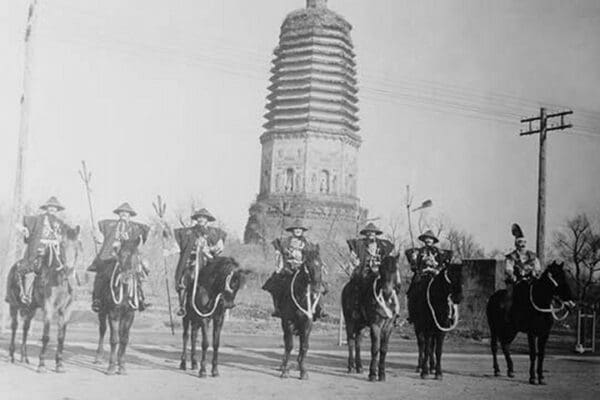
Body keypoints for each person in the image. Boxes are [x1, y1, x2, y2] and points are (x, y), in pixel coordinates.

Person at [89, 203, 150, 312]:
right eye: (121, 213)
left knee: (138, 275)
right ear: (118, 214)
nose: (123, 215)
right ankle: (97, 299)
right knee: (101, 275)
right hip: (110, 256)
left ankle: (140, 299)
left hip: (128, 257)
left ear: (130, 215)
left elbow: (143, 236)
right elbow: (101, 239)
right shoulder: (110, 225)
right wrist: (96, 235)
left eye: (126, 214)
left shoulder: (135, 227)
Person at [264, 219, 325, 318]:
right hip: (289, 269)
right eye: (295, 228)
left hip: (305, 269)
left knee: (318, 283)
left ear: (302, 230)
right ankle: (278, 308)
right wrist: (280, 263)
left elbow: (315, 257)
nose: (297, 230)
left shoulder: (309, 244)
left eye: (299, 229)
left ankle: (319, 309)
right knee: (276, 284)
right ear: (292, 230)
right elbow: (279, 255)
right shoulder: (285, 242)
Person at [15, 197, 69, 304]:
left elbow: (66, 237)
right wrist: (24, 230)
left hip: (56, 251)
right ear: (47, 208)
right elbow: (22, 224)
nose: (53, 209)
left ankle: (66, 295)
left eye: (55, 207)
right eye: (51, 206)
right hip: (40, 249)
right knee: (32, 268)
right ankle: (27, 294)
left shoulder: (61, 223)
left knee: (64, 270)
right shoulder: (38, 219)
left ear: (57, 209)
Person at [173, 208, 226, 317]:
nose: (201, 219)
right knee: (184, 278)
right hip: (192, 261)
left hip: (208, 261)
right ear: (196, 219)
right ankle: (182, 306)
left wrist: (209, 249)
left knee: (222, 278)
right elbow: (178, 245)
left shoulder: (215, 232)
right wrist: (168, 250)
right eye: (199, 217)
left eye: (203, 217)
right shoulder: (188, 232)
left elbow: (220, 247)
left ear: (207, 219)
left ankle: (222, 303)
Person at [405, 230, 452, 322]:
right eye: (426, 238)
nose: (428, 240)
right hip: (422, 277)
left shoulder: (440, 252)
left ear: (433, 240)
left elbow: (444, 265)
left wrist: (435, 269)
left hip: (436, 277)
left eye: (430, 238)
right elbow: (414, 267)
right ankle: (412, 314)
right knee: (412, 293)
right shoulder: (419, 252)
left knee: (448, 293)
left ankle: (449, 315)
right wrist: (414, 260)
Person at [503, 223, 541, 320]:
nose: (523, 245)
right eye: (520, 243)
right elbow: (508, 268)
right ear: (516, 244)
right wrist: (512, 276)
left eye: (524, 243)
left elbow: (537, 268)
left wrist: (535, 273)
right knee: (509, 296)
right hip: (515, 282)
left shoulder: (532, 256)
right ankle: (507, 315)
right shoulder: (511, 256)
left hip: (530, 281)